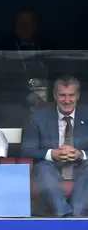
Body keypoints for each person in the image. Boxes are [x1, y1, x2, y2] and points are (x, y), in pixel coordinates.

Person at [21, 76, 88, 217]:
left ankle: (76, 215)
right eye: (62, 95)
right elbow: (26, 149)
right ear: (55, 96)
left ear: (78, 96)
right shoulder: (39, 116)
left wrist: (80, 154)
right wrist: (51, 154)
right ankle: (63, 214)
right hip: (51, 167)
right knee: (43, 169)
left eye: (71, 95)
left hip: (81, 167)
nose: (67, 100)